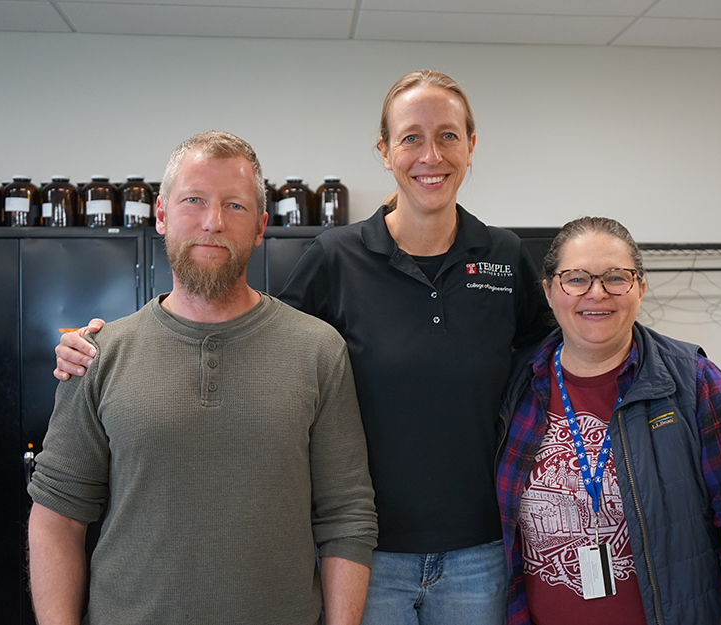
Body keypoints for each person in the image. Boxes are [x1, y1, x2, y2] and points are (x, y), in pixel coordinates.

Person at [53, 71, 550, 625]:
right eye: (410, 137)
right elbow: (260, 341)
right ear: (384, 151)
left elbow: (550, 360)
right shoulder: (337, 257)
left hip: (479, 549)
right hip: (368, 554)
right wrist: (117, 345)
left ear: (471, 145)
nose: (430, 154)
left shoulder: (505, 257)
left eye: (449, 136)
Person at [28, 130, 378, 624]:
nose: (213, 222)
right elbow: (57, 519)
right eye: (194, 200)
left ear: (260, 227)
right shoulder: (98, 354)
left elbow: (346, 516)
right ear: (162, 215)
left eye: (234, 206)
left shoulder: (318, 350)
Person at [496, 216, 721, 625]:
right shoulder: (518, 386)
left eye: (616, 277)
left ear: (640, 287)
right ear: (549, 291)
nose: (597, 293)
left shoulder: (696, 385)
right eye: (577, 278)